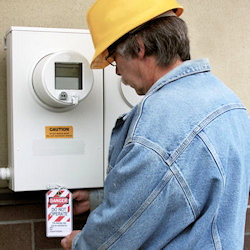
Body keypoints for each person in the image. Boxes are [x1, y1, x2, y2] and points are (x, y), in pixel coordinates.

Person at [61, 0, 250, 249]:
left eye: (113, 57)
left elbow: (114, 237)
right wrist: (99, 199)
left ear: (139, 48)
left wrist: (80, 243)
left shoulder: (158, 128)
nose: (116, 71)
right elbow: (189, 190)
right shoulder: (229, 102)